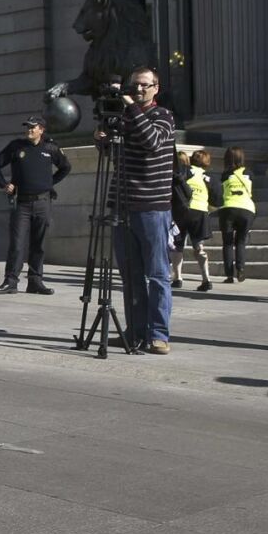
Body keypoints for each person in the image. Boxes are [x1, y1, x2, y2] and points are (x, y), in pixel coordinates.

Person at [98, 66, 176, 354]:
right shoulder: (126, 119)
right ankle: (135, 331)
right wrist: (103, 139)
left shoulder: (162, 116)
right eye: (134, 86)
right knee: (130, 275)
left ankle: (159, 335)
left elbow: (153, 142)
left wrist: (131, 108)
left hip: (152, 208)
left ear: (156, 88)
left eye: (144, 85)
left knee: (157, 274)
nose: (138, 90)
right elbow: (113, 157)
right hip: (122, 205)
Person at [0, 115, 71, 295]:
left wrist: (50, 183)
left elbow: (65, 167)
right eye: (28, 127)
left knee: (38, 244)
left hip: (43, 202)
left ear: (42, 129)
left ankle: (35, 281)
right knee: (16, 244)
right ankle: (10, 281)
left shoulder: (50, 148)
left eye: (33, 127)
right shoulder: (16, 147)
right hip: (22, 204)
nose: (29, 130)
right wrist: (4, 184)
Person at [170, 150, 217, 292]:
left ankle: (177, 278)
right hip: (201, 211)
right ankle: (206, 279)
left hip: (183, 210)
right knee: (199, 246)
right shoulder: (209, 177)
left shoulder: (186, 169)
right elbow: (216, 198)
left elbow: (176, 183)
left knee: (178, 245)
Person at [216, 147, 255, 283]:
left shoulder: (225, 174)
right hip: (247, 209)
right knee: (241, 241)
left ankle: (229, 275)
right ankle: (241, 269)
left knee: (227, 243)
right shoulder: (249, 172)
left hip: (229, 209)